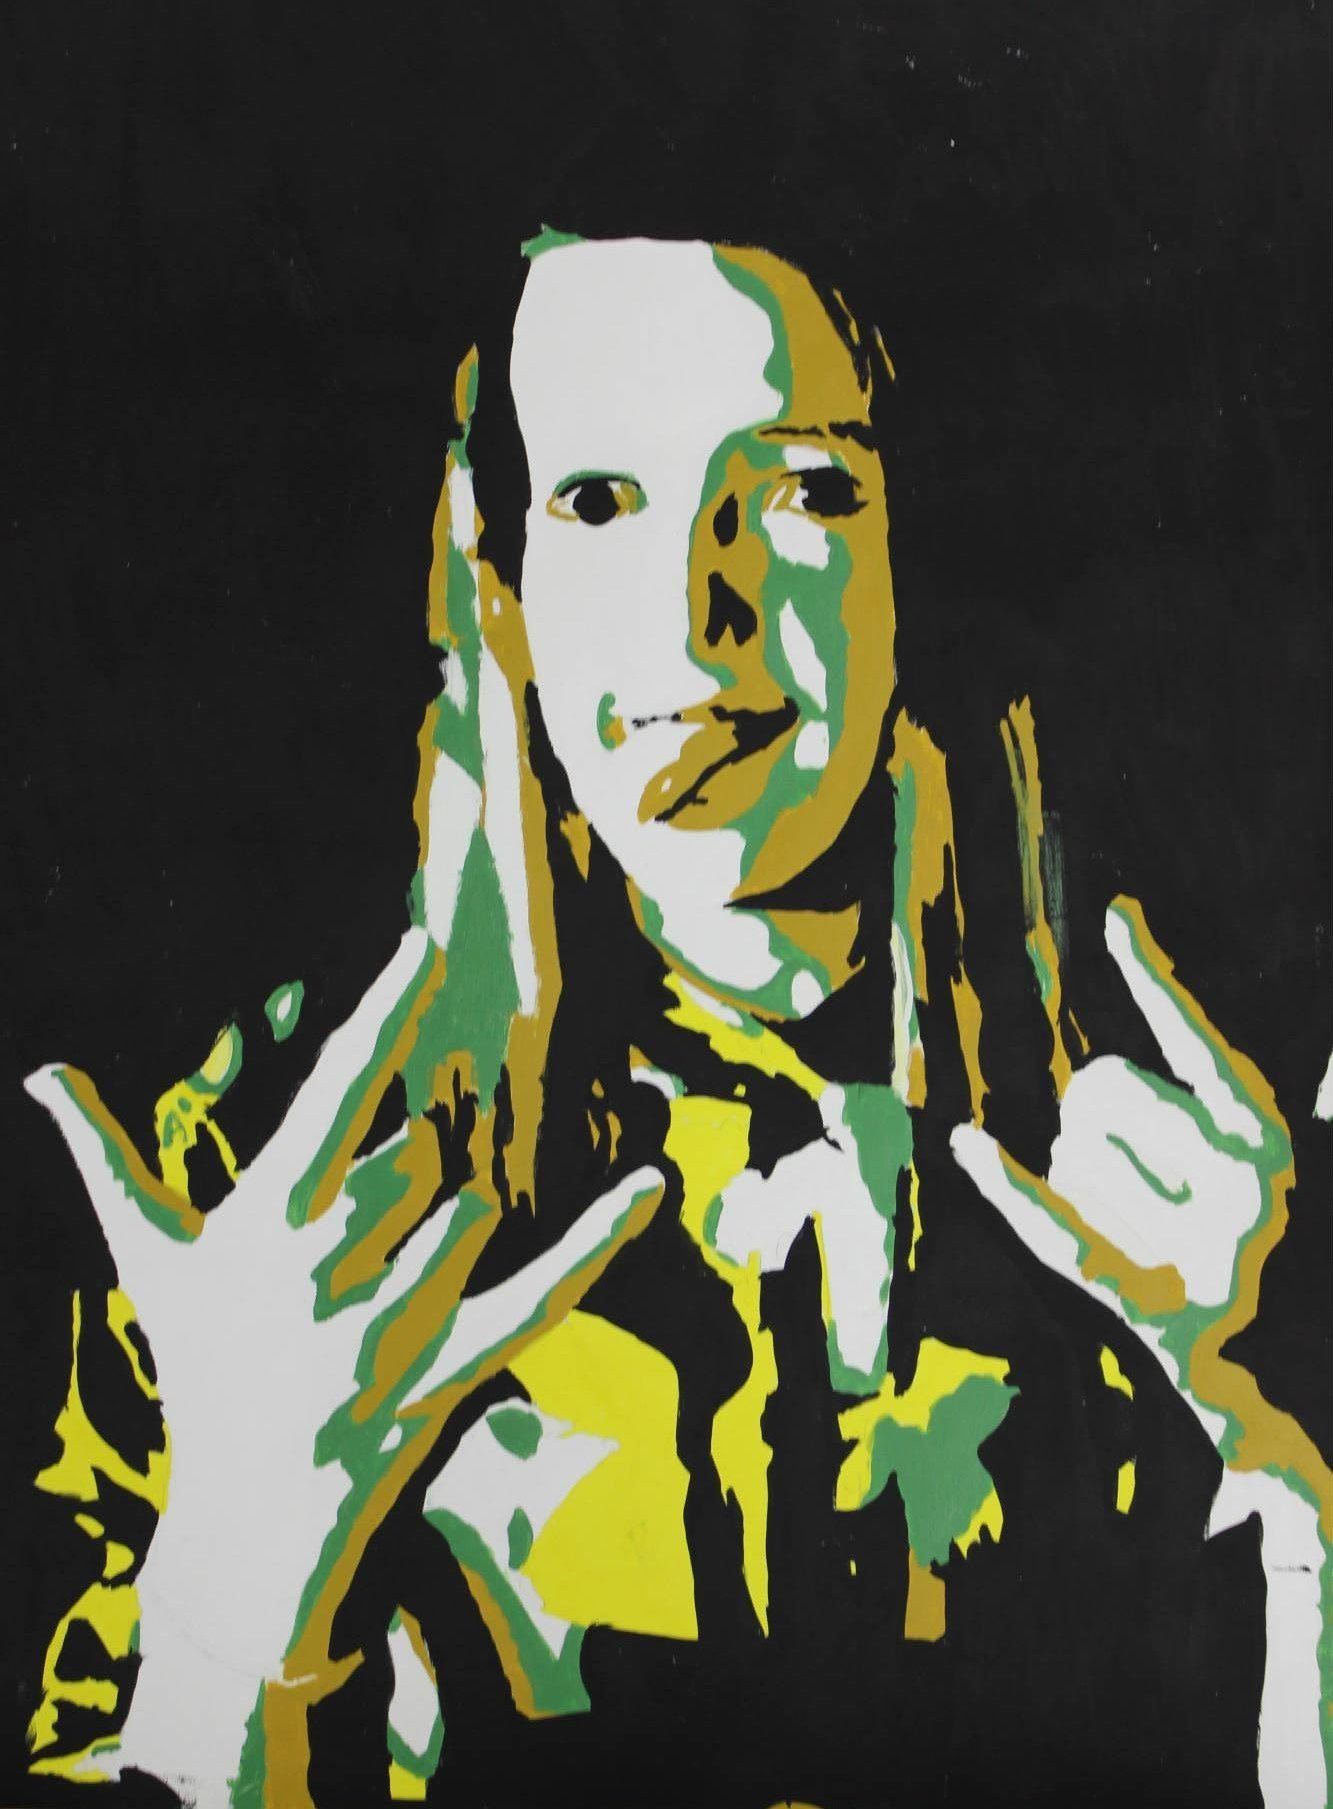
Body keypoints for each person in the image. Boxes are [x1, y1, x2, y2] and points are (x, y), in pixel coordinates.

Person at [24, 230, 1330, 1809]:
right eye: (595, 500)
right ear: (495, 567)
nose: (690, 619)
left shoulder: (1233, 1135)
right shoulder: (262, 1179)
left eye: (797, 490)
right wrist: (241, 1606)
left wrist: (1297, 1433)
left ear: (921, 539)